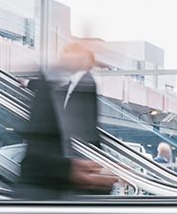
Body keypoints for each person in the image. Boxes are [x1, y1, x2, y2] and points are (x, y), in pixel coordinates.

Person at [14, 40, 115, 200]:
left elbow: (83, 126)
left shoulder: (86, 82)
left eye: (66, 53)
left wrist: (79, 163)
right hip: (53, 172)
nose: (62, 57)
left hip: (53, 175)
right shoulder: (72, 81)